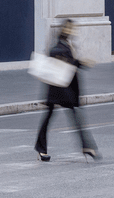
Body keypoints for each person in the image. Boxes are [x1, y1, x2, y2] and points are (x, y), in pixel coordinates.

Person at [34, 19, 99, 162]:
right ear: (65, 30)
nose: (73, 31)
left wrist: (79, 62)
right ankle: (86, 147)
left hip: (61, 88)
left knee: (53, 118)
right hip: (60, 90)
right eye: (71, 29)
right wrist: (81, 62)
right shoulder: (60, 46)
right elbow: (61, 58)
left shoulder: (68, 44)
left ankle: (41, 149)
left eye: (73, 29)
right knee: (73, 118)